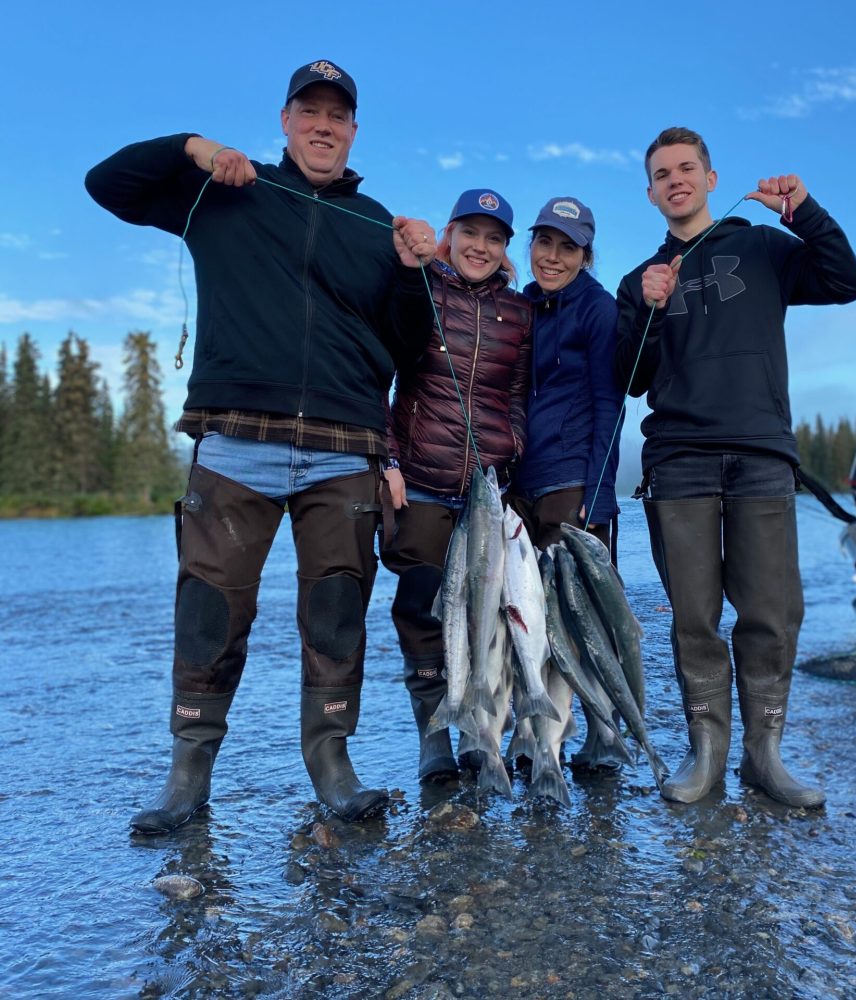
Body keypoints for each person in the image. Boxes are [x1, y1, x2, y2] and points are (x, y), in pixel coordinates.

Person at [85, 59, 437, 832]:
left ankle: (331, 764)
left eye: (337, 116)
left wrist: (414, 273)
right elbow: (106, 184)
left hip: (345, 450)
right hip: (234, 442)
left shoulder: (378, 225)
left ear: (353, 131)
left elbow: (411, 350)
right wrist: (192, 148)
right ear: (285, 121)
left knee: (338, 612)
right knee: (209, 612)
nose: (322, 125)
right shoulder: (226, 192)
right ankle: (189, 773)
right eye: (308, 111)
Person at [615, 126, 856, 807]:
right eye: (662, 173)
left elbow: (846, 281)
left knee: (771, 611)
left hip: (760, 455)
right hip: (679, 462)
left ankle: (766, 755)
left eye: (687, 167)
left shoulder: (761, 247)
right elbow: (629, 379)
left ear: (711, 178)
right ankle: (708, 756)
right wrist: (646, 305)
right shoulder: (641, 279)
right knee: (694, 618)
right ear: (650, 192)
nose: (676, 180)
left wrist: (803, 212)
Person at [381, 189, 532, 781]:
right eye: (471, 233)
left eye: (494, 238)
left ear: (504, 249)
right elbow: (384, 379)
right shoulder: (421, 287)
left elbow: (517, 396)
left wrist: (511, 451)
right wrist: (389, 460)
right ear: (449, 235)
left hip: (487, 491)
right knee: (421, 608)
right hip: (421, 481)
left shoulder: (519, 314)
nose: (481, 246)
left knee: (486, 612)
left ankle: (480, 729)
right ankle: (433, 735)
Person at [509, 197, 623, 555]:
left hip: (571, 486)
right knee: (521, 610)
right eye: (544, 242)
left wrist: (600, 489)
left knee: (576, 610)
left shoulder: (598, 308)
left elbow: (610, 403)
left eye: (568, 247)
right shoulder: (523, 306)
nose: (552, 257)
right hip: (519, 488)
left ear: (585, 257)